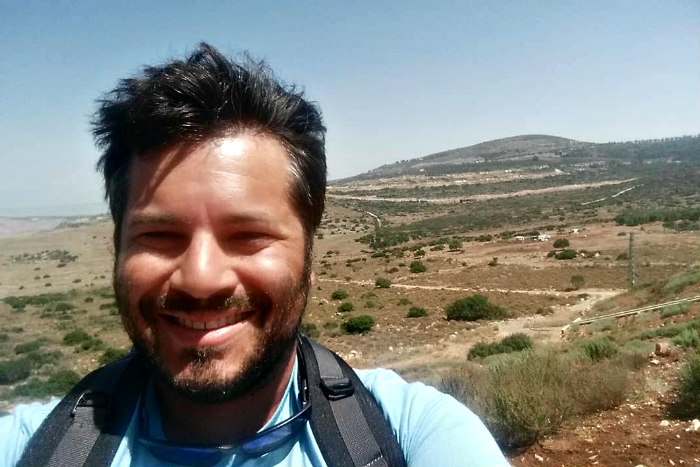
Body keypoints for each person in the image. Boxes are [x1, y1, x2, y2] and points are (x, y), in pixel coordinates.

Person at [0, 43, 509, 467]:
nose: (201, 279)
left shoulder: (413, 437)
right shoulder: (34, 446)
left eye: (247, 235)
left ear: (309, 260)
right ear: (118, 251)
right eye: (159, 236)